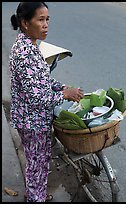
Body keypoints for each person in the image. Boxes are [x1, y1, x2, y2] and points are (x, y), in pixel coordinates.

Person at [9, 2, 84, 202]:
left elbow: (43, 79)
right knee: (37, 162)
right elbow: (37, 96)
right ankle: (35, 198)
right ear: (25, 23)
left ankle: (36, 193)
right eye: (40, 20)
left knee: (38, 161)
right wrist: (65, 95)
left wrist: (62, 87)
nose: (46, 25)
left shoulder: (30, 45)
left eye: (47, 19)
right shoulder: (25, 53)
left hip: (32, 118)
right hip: (31, 120)